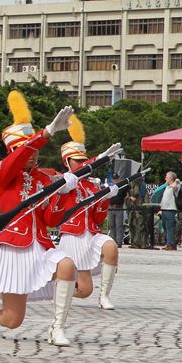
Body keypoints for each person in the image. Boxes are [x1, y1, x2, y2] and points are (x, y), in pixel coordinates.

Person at [0, 92, 79, 346]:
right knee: (12, 320)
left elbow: (52, 220)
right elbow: (15, 161)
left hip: (41, 245)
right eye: (24, 148)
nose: (32, 154)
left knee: (66, 265)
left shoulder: (44, 178)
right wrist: (44, 134)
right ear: (13, 151)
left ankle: (57, 329)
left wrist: (67, 191)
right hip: (15, 249)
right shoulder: (2, 170)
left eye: (33, 149)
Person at [56, 116, 122, 310]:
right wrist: (100, 159)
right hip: (73, 237)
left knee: (111, 247)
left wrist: (105, 197)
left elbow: (98, 218)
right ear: (67, 162)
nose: (83, 164)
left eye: (85, 161)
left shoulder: (92, 184)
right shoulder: (63, 182)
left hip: (91, 233)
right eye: (78, 161)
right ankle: (60, 289)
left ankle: (104, 297)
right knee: (85, 291)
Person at [127, 172, 149, 249]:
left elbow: (146, 200)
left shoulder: (142, 188)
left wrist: (144, 208)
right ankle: (134, 243)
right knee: (132, 226)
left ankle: (143, 243)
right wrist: (130, 198)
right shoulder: (130, 188)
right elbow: (128, 197)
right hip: (133, 209)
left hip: (140, 210)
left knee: (141, 227)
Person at [160, 172, 180, 251]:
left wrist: (176, 181)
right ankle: (170, 243)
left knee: (170, 228)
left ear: (171, 178)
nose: (165, 178)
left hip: (170, 210)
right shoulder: (167, 187)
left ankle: (170, 244)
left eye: (167, 177)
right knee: (165, 227)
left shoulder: (175, 185)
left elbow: (175, 186)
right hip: (164, 209)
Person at [107, 173, 128, 248]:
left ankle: (119, 242)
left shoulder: (122, 186)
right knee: (112, 225)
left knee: (119, 225)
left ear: (118, 179)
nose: (115, 180)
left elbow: (125, 195)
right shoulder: (110, 187)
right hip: (111, 207)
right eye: (114, 179)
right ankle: (113, 241)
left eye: (116, 179)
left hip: (119, 207)